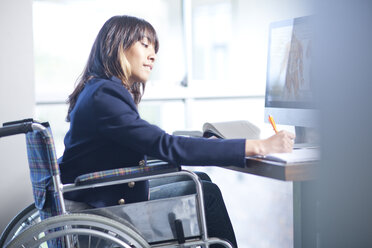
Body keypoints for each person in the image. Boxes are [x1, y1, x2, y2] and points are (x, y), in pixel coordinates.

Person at [58, 15, 295, 248]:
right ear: (118, 46)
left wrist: (193, 143)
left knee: (200, 181)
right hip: (99, 209)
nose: (153, 55)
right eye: (145, 45)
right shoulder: (105, 97)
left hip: (99, 197)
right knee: (206, 193)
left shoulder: (99, 90)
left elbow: (149, 142)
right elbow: (166, 146)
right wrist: (259, 146)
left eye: (155, 49)